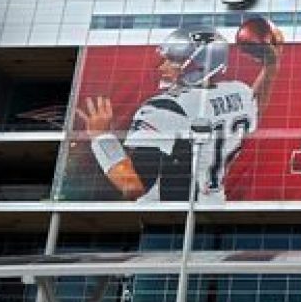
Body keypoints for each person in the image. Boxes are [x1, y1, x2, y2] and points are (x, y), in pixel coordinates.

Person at [76, 17, 283, 202]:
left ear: (199, 65)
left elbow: (132, 185)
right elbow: (255, 106)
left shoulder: (165, 108)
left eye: (173, 60)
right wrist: (271, 66)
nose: (162, 66)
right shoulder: (238, 92)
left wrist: (101, 136)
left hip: (168, 219)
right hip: (212, 207)